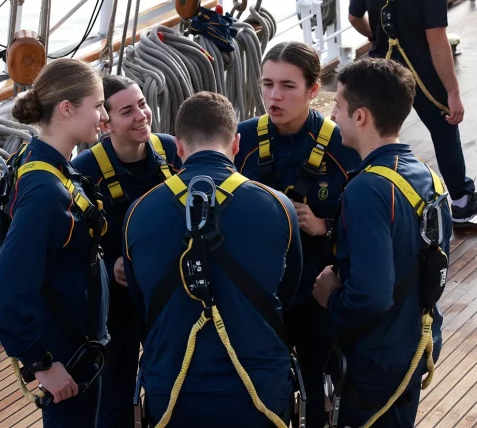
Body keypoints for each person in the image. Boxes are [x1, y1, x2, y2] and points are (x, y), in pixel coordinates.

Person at [123, 92, 303, 427]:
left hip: (173, 391)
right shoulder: (278, 206)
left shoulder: (138, 212)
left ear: (178, 147)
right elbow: (288, 290)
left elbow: (140, 301)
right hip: (258, 392)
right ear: (236, 144)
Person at [314, 58, 453, 427]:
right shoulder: (427, 175)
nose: (333, 117)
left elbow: (372, 296)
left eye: (338, 108)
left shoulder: (368, 189)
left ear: (360, 117)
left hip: (378, 357)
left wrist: (331, 297)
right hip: (414, 342)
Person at [233, 40, 361, 426]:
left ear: (312, 89)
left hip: (314, 296)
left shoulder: (344, 146)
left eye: (288, 86)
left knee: (317, 386)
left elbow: (368, 225)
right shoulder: (240, 142)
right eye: (267, 84)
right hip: (256, 297)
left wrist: (326, 227)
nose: (274, 96)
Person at [0, 58, 110, 427]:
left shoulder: (34, 159)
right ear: (67, 109)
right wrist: (42, 363)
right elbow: (6, 291)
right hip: (66, 356)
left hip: (74, 342)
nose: (104, 115)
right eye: (98, 105)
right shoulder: (45, 191)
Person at [71, 74, 181, 428]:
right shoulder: (84, 171)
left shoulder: (171, 151)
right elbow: (72, 244)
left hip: (169, 295)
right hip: (116, 309)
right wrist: (108, 262)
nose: (141, 116)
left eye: (143, 104)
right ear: (106, 123)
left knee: (174, 381)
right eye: (127, 111)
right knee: (114, 394)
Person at [348, 0, 477, 223]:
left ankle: (364, 198)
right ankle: (461, 202)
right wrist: (453, 93)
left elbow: (354, 18)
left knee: (370, 133)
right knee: (444, 129)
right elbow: (436, 39)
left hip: (381, 67)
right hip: (421, 71)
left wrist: (376, 37)